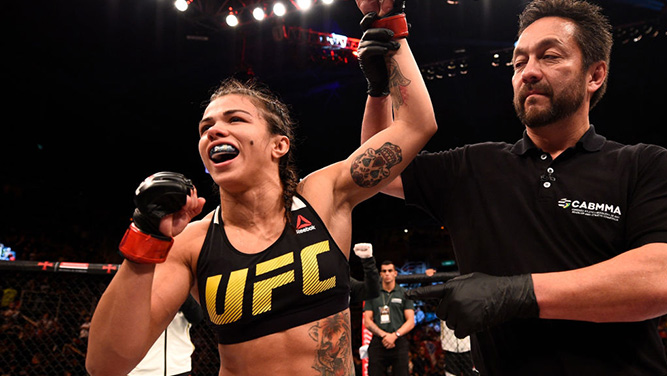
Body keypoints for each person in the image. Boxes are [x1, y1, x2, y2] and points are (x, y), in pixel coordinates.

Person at [84, 1, 437, 374]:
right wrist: (144, 238)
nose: (215, 130)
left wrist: (390, 29)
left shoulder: (322, 196)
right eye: (206, 128)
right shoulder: (191, 243)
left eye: (235, 119)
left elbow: (416, 126)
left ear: (278, 145)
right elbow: (106, 365)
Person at [361, 0, 667, 374]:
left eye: (550, 57)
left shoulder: (644, 164)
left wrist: (516, 293)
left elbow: (659, 278)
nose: (529, 72)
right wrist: (379, 88)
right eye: (519, 62)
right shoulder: (474, 166)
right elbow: (376, 171)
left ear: (596, 75)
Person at [129, 295, 203, 376]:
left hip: (179, 366)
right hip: (142, 369)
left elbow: (197, 316)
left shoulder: (184, 287)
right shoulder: (135, 288)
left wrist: (179, 291)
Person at [363, 260, 415, 376]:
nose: (387, 273)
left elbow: (411, 321)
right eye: (384, 271)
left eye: (390, 271)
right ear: (380, 274)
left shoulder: (404, 293)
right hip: (378, 340)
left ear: (395, 273)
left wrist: (395, 335)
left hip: (399, 340)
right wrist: (384, 335)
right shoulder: (373, 294)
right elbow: (367, 321)